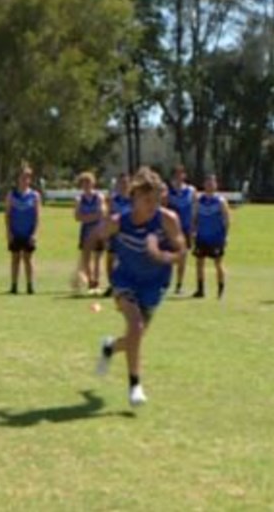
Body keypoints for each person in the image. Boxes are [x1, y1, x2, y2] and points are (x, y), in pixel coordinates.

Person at [92, 168, 188, 408]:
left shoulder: (168, 220)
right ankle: (135, 385)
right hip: (125, 280)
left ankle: (109, 347)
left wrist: (162, 255)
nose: (152, 205)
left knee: (136, 336)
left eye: (156, 199)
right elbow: (94, 237)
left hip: (154, 284)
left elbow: (182, 252)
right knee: (135, 325)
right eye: (147, 200)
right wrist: (83, 268)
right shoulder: (119, 222)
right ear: (134, 197)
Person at [190, 174, 231, 300]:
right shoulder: (199, 200)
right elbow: (194, 217)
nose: (209, 185)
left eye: (212, 183)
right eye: (207, 183)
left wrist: (226, 236)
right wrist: (193, 232)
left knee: (218, 263)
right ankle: (200, 289)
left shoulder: (220, 201)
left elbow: (227, 219)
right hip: (202, 237)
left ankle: (220, 290)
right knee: (199, 263)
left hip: (216, 238)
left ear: (216, 185)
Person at [7, 166, 42, 295]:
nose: (25, 180)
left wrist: (35, 233)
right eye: (22, 177)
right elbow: (8, 215)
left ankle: (30, 286)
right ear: (18, 179)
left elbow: (37, 216)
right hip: (15, 232)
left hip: (28, 233)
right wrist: (9, 232)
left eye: (27, 177)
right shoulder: (12, 195)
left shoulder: (34, 195)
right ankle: (14, 286)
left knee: (28, 259)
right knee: (15, 259)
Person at [165, 165, 197, 295]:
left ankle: (179, 285)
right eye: (176, 174)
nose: (179, 177)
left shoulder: (191, 190)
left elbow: (195, 209)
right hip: (171, 228)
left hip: (186, 228)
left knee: (183, 257)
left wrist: (194, 227)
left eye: (181, 174)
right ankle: (165, 283)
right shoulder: (168, 191)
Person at [74, 172, 107, 295]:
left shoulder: (99, 197)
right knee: (86, 258)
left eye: (88, 182)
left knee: (98, 257)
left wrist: (87, 217)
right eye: (84, 183)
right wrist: (92, 217)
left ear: (93, 183)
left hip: (98, 230)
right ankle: (90, 282)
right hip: (86, 231)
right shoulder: (79, 199)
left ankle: (97, 281)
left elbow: (102, 213)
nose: (86, 185)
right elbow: (77, 217)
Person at [104, 172, 131, 296]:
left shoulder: (133, 199)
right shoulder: (112, 199)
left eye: (126, 183)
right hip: (114, 233)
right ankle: (112, 285)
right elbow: (108, 215)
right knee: (110, 260)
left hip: (128, 233)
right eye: (121, 183)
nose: (124, 185)